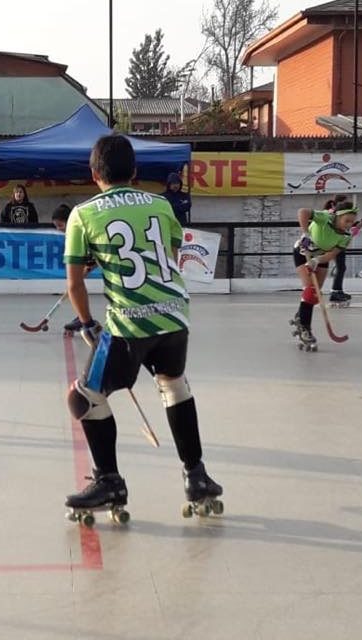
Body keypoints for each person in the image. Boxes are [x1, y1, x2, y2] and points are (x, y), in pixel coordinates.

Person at [63, 134, 223, 521]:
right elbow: (167, 257)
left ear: (93, 172)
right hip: (174, 315)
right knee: (173, 385)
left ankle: (109, 481)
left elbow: (74, 283)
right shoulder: (161, 203)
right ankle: (196, 475)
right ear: (134, 172)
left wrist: (86, 323)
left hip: (128, 324)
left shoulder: (82, 215)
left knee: (84, 398)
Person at [291, 201, 359, 351]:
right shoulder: (325, 217)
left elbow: (332, 254)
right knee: (310, 289)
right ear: (337, 216)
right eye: (346, 220)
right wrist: (306, 233)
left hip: (320, 257)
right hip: (303, 253)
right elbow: (303, 211)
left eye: (352, 222)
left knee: (315, 294)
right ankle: (305, 329)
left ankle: (300, 317)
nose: (349, 224)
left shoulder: (346, 236)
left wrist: (317, 260)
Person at [51, 203, 95, 336]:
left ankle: (86, 322)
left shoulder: (82, 231)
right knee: (77, 285)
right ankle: (82, 317)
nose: (58, 229)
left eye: (60, 225)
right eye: (56, 226)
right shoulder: (74, 234)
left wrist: (89, 266)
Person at [324, 195, 361, 307]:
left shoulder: (337, 216)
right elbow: (345, 233)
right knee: (340, 267)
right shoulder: (331, 216)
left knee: (341, 267)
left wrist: (354, 228)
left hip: (338, 242)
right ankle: (335, 291)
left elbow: (346, 232)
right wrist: (356, 229)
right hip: (335, 243)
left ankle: (337, 290)